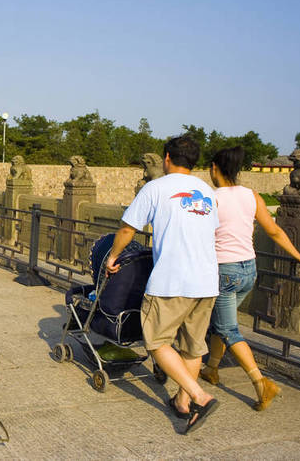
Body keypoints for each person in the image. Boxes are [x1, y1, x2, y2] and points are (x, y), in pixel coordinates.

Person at [105, 135, 219, 435]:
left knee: (156, 341)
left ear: (167, 157)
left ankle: (199, 397)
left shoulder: (155, 188)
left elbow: (128, 228)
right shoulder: (206, 191)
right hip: (207, 281)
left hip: (172, 280)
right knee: (193, 346)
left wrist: (113, 256)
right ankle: (182, 403)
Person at [200, 146, 300, 410]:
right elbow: (275, 231)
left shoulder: (210, 198)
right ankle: (212, 368)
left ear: (214, 169)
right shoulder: (251, 195)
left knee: (227, 328)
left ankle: (260, 382)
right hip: (249, 269)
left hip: (224, 270)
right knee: (226, 321)